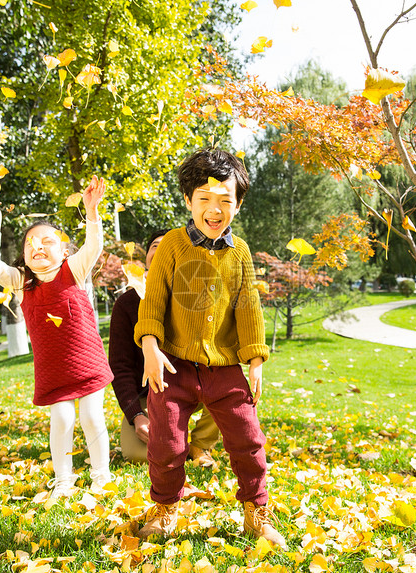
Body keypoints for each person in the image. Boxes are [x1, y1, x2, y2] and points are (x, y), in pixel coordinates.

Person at [134, 149, 287, 548]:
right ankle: (166, 508)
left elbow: (248, 306)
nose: (214, 209)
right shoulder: (171, 244)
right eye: (204, 199)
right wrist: (149, 346)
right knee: (166, 445)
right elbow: (152, 302)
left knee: (248, 441)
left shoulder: (240, 252)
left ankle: (257, 512)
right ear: (189, 201)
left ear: (237, 204)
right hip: (172, 365)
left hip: (224, 368)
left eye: (224, 200)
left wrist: (254, 362)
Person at [0, 176, 114, 498]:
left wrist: (91, 211)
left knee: (91, 415)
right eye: (29, 244)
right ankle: (64, 482)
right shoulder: (22, 282)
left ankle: (102, 476)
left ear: (65, 249)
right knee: (62, 419)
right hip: (53, 370)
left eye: (46, 241)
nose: (36, 246)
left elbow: (93, 245)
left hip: (87, 364)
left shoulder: (74, 269)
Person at [109, 229, 220, 465]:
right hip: (149, 394)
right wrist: (136, 415)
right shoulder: (126, 304)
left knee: (228, 385)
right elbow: (120, 368)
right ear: (146, 256)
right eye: (155, 246)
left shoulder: (197, 297)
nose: (162, 250)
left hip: (191, 386)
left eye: (171, 246)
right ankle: (175, 439)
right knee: (139, 455)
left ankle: (199, 445)